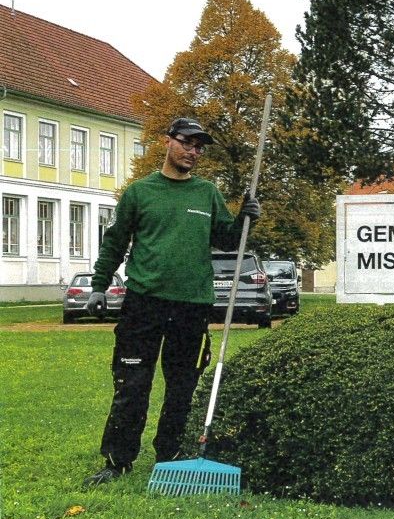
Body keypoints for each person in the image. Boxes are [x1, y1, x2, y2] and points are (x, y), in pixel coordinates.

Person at [83, 117, 261, 486]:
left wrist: (246, 218)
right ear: (169, 142)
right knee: (132, 384)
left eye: (199, 147)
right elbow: (114, 243)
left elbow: (229, 241)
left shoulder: (207, 194)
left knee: (182, 385)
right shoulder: (139, 193)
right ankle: (117, 461)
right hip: (144, 303)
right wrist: (99, 286)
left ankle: (170, 452)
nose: (193, 152)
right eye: (188, 143)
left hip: (192, 305)